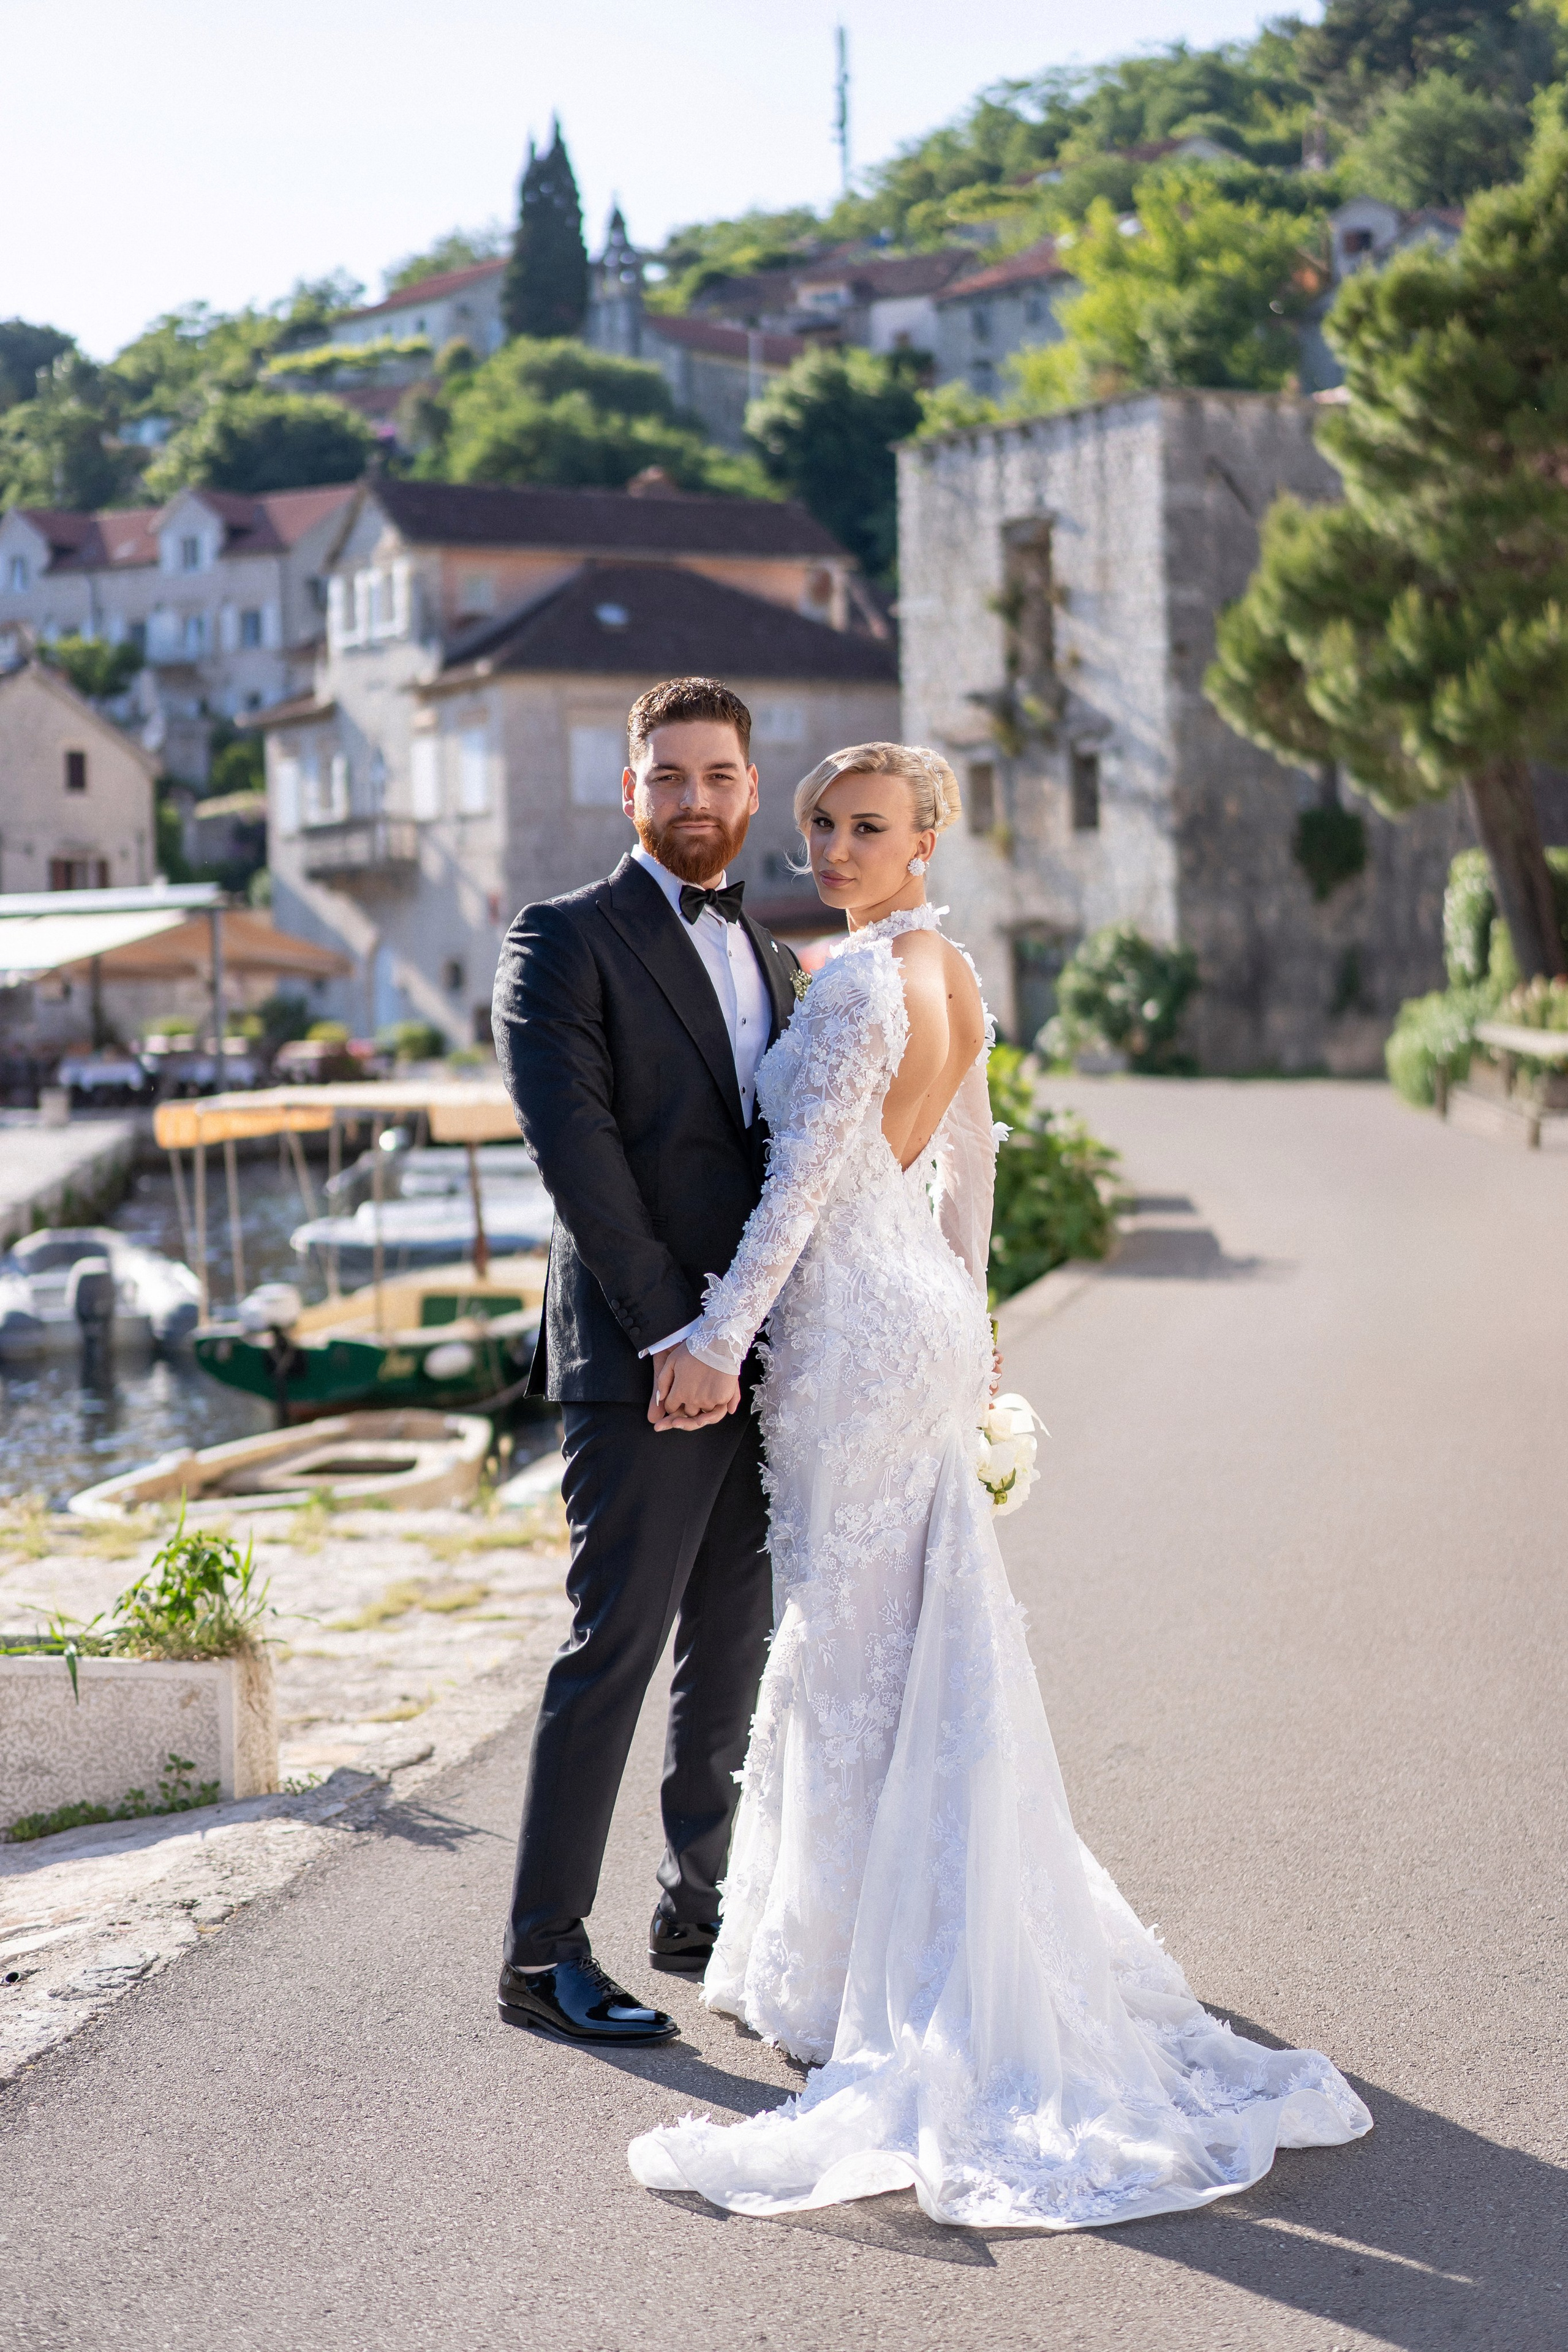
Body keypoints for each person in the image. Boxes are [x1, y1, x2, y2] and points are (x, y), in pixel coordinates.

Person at [629, 742, 1373, 2227]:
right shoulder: (950, 972)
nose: (834, 849)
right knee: (901, 1634)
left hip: (846, 1333)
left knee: (844, 1634)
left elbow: (796, 1188)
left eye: (867, 830)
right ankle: (898, 1934)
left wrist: (715, 1338)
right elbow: (967, 1172)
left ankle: (850, 1967)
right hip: (912, 1319)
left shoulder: (849, 986)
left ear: (923, 843)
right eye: (822, 826)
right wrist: (971, 1341)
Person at [490, 676, 801, 2047]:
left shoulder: (776, 957)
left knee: (730, 1647)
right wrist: (677, 1335)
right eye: (666, 777)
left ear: (748, 789)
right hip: (641, 1360)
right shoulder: (559, 940)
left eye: (717, 776)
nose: (694, 801)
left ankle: (698, 1907)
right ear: (629, 794)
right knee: (610, 1648)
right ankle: (540, 1955)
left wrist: (758, 1340)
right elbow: (581, 1162)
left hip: (756, 1361)